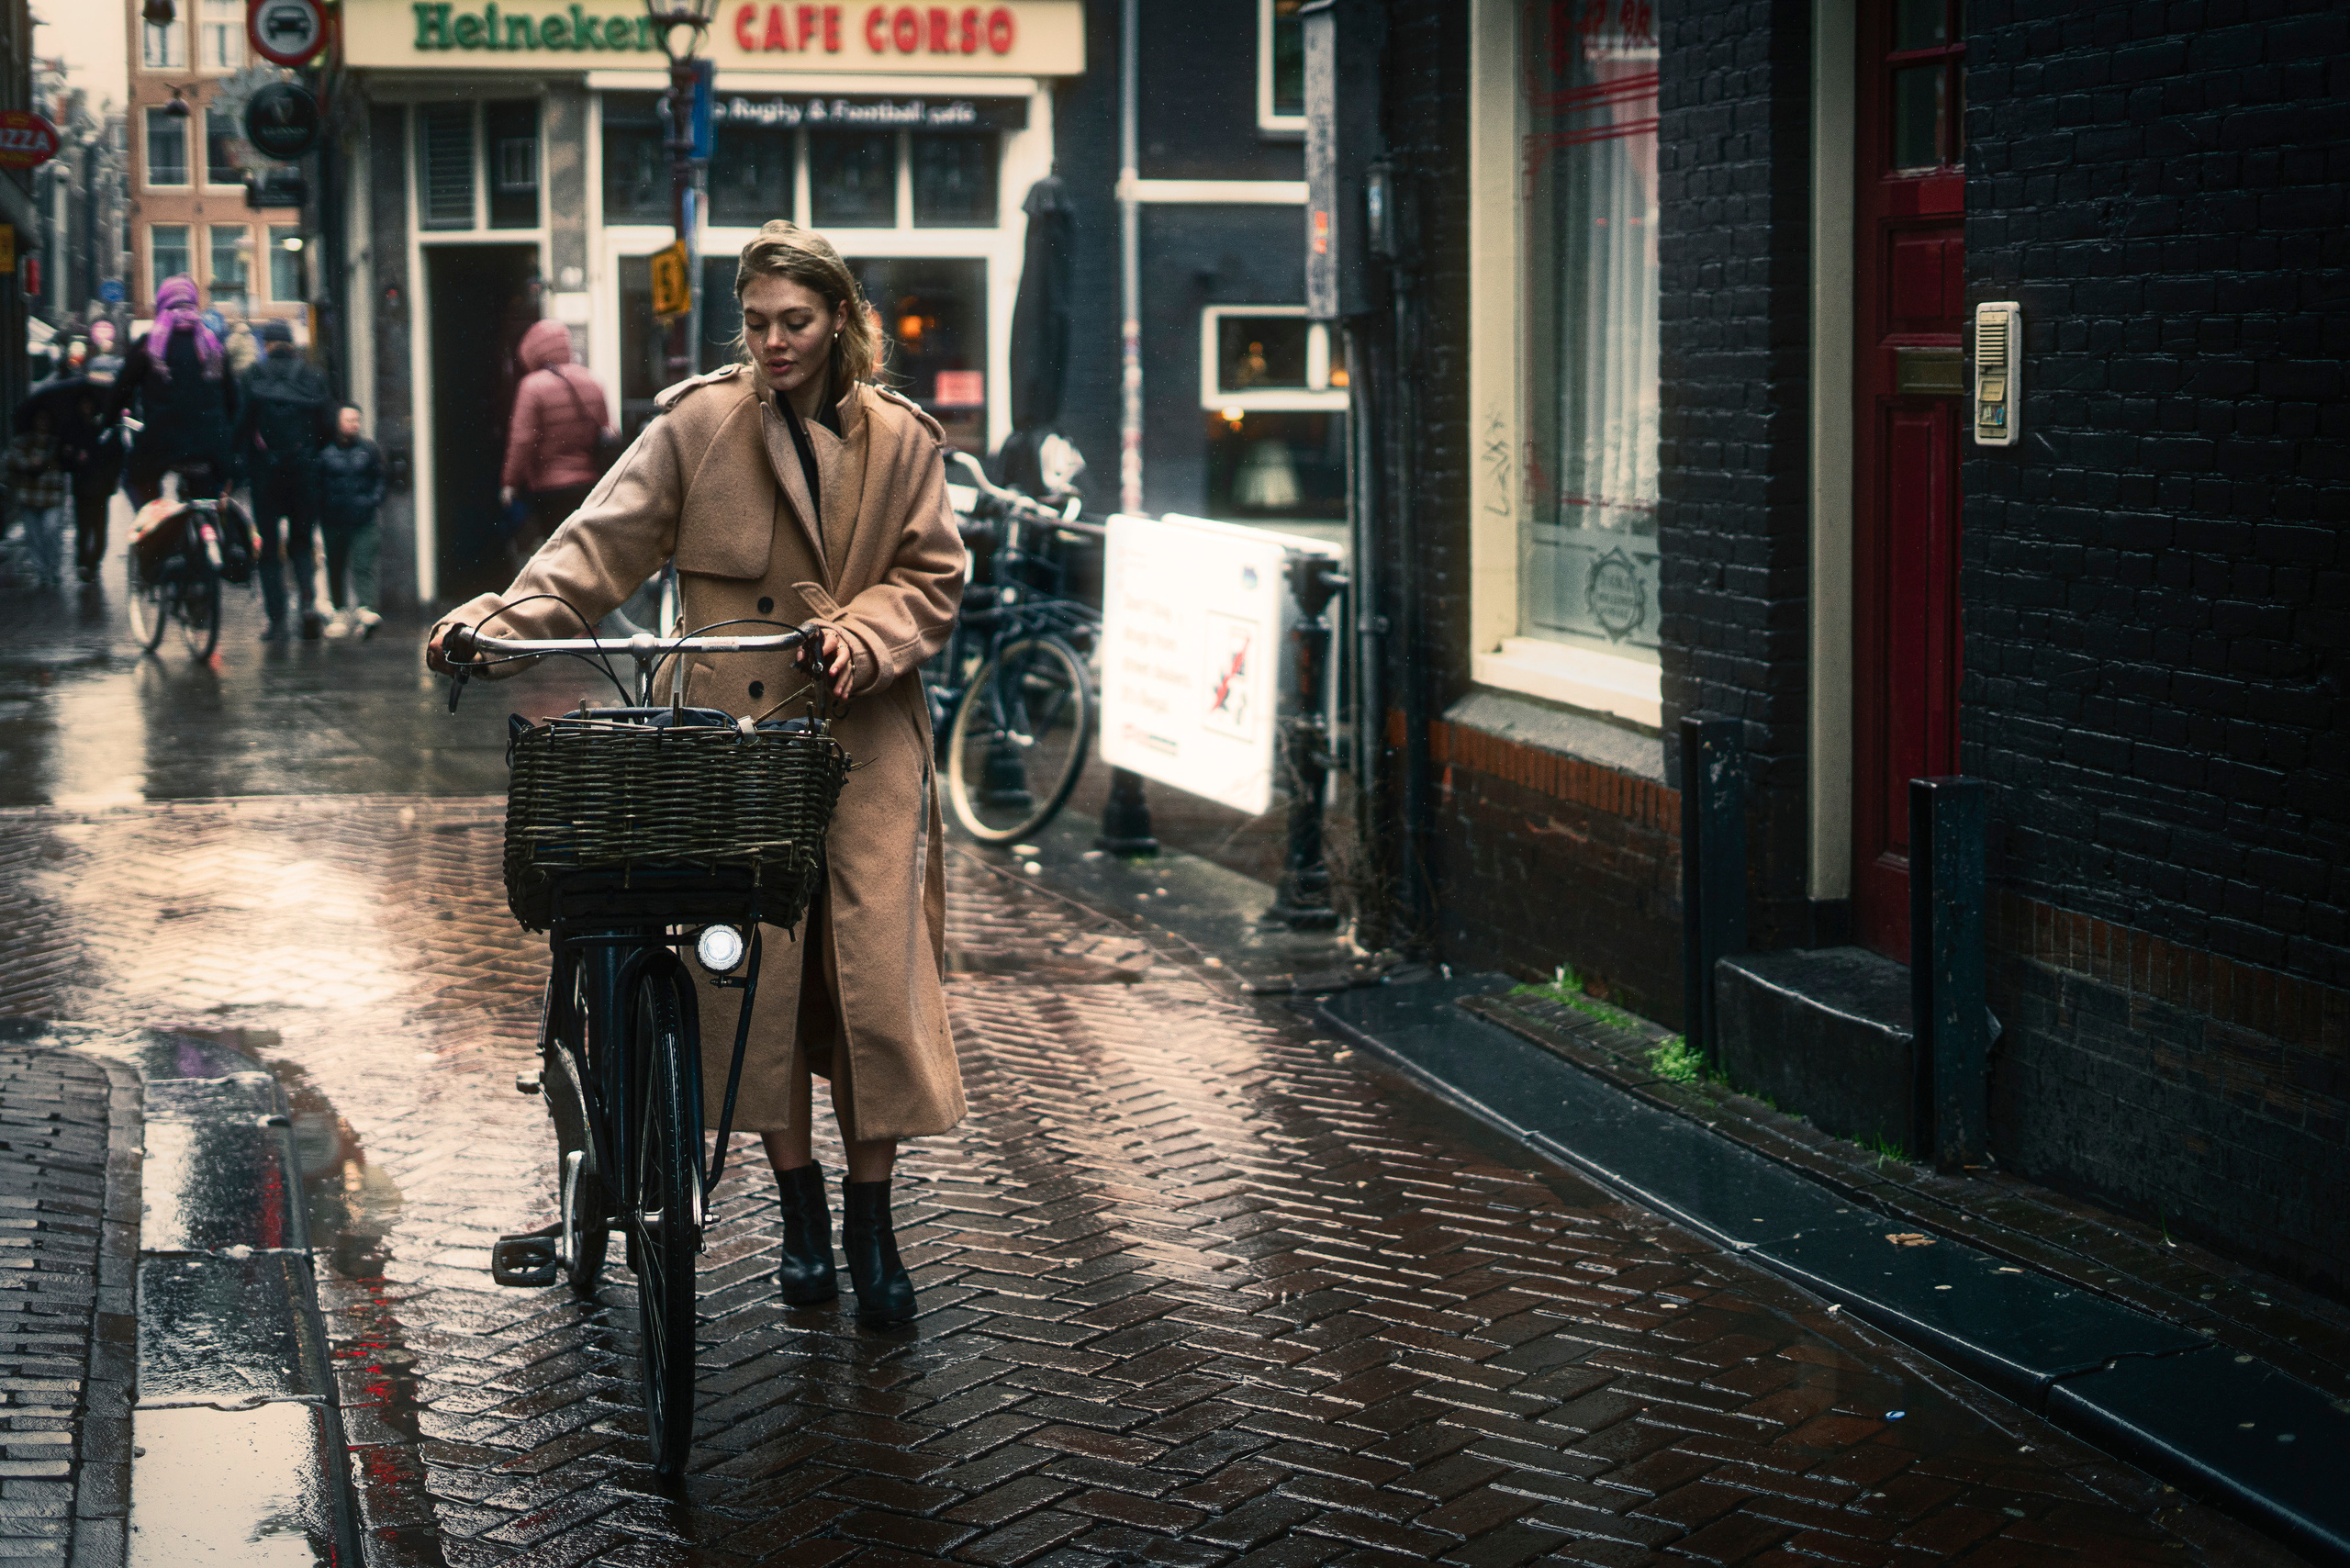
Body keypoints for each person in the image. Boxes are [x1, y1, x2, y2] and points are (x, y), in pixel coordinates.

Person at [428, 222, 966, 1328]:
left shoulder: (904, 439)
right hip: (734, 749)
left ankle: (876, 1224)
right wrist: (493, 622)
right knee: (755, 979)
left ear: (840, 323)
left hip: (864, 740)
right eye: (757, 322)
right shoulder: (696, 427)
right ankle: (801, 1213)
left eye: (796, 324)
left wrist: (863, 636)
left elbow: (931, 574)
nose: (773, 343)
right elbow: (591, 550)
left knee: (867, 982)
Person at [233, 318, 333, 640]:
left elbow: (241, 426)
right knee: (302, 542)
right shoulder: (313, 376)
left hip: (265, 475)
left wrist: (238, 467)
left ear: (266, 345)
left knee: (268, 544)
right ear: (291, 344)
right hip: (304, 472)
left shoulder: (251, 376)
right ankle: (307, 604)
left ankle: (276, 620)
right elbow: (327, 425)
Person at [107, 275, 237, 511]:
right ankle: (220, 540)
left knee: (136, 481)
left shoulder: (148, 345)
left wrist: (108, 420)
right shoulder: (213, 345)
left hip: (161, 443)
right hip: (211, 445)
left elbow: (121, 391)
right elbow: (232, 399)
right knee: (214, 501)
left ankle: (159, 536)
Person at [498, 319, 612, 573]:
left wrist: (509, 483)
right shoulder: (592, 381)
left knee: (555, 560)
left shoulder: (532, 387)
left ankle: (561, 609)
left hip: (549, 489)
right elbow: (607, 431)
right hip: (587, 485)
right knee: (581, 556)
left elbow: (522, 441)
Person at [317, 405, 386, 638]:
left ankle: (366, 609)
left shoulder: (368, 451)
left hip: (362, 517)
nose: (353, 424)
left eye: (357, 420)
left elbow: (380, 479)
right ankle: (339, 611)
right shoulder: (325, 453)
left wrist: (372, 501)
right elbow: (318, 484)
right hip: (333, 519)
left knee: (364, 563)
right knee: (335, 564)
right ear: (338, 423)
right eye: (348, 420)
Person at [5, 407, 68, 588]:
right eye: (39, 419)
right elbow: (9, 460)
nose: (43, 423)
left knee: (50, 531)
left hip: (52, 496)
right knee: (34, 537)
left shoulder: (57, 443)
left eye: (46, 420)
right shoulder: (23, 441)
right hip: (29, 497)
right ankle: (42, 572)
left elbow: (67, 463)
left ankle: (54, 569)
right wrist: (27, 463)